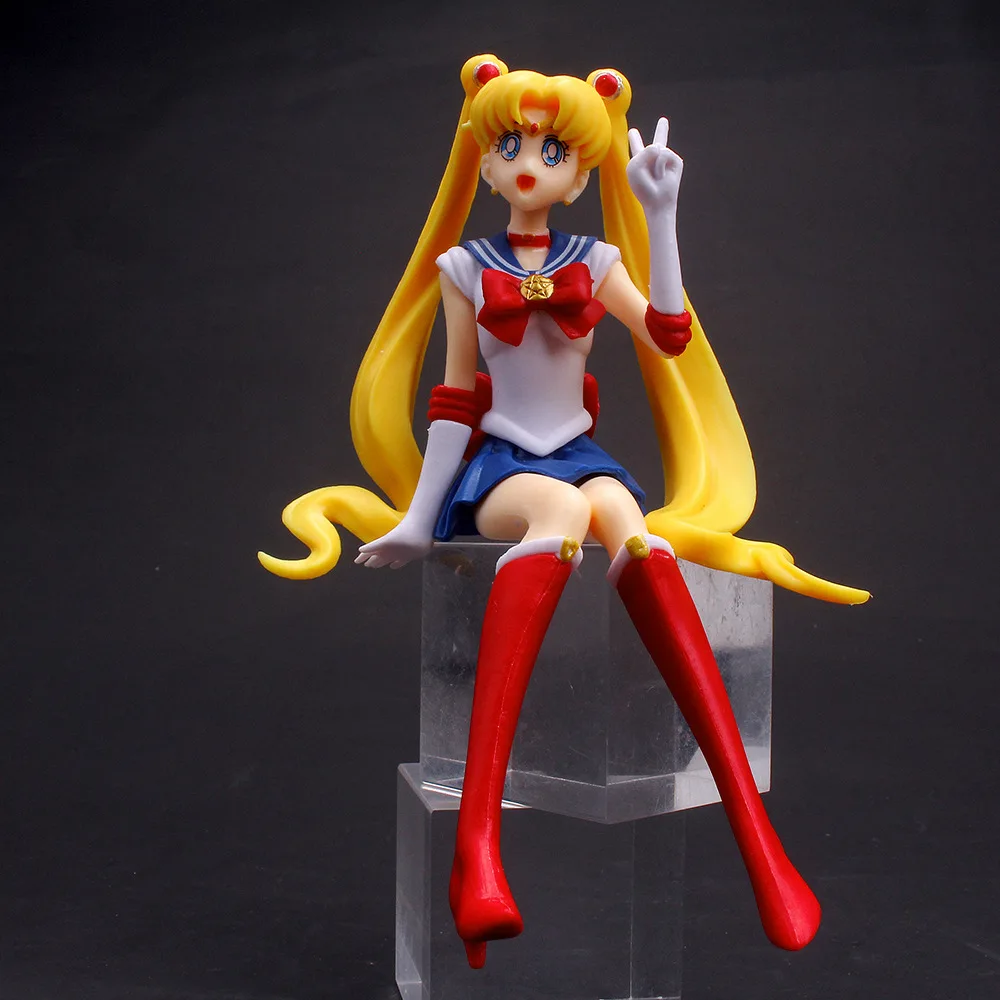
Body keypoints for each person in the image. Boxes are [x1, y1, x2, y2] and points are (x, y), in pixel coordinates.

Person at [259, 55, 869, 969]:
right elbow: (453, 401)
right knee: (560, 516)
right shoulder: (464, 267)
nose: (530, 164)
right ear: (485, 161)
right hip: (502, 465)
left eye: (552, 151)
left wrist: (661, 216)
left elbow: (668, 335)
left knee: (634, 529)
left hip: (583, 454)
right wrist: (423, 517)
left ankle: (758, 841)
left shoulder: (598, 261)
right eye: (511, 146)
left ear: (581, 175)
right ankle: (477, 844)